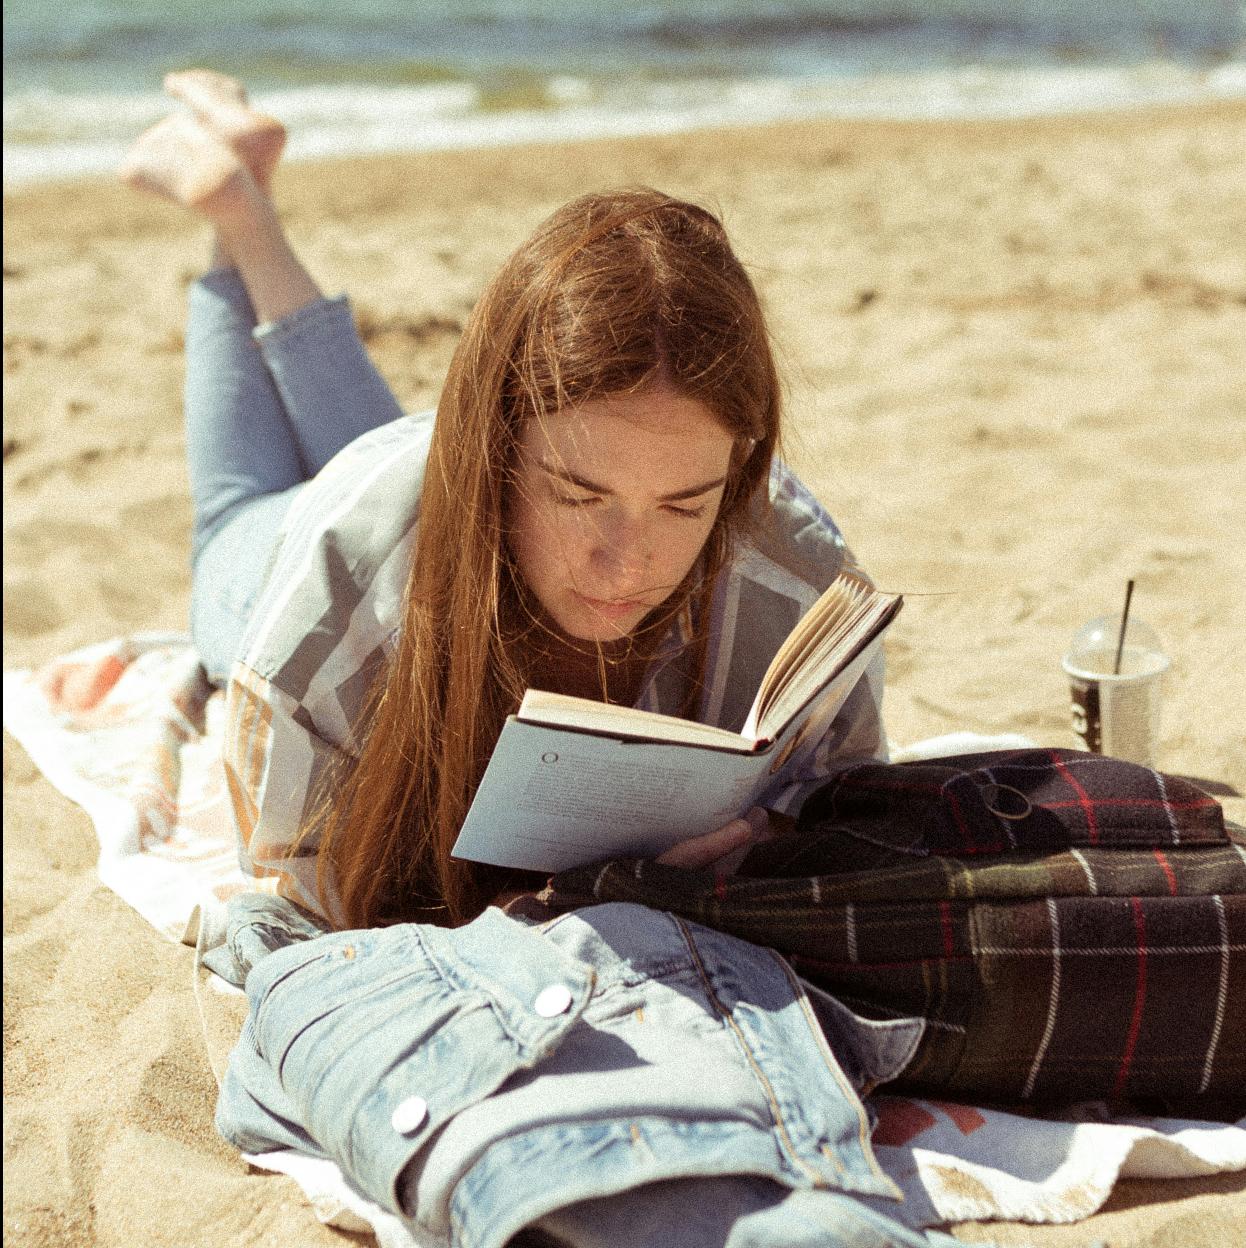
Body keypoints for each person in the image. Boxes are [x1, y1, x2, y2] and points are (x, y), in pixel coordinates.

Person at [116, 70, 887, 933]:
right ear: (496, 454)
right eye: (578, 496)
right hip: (278, 546)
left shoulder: (794, 569)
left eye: (684, 506)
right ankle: (236, 218)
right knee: (235, 501)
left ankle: (241, 195)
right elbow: (294, 896)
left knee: (392, 454)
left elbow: (852, 807)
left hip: (414, 482)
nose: (627, 561)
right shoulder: (330, 603)